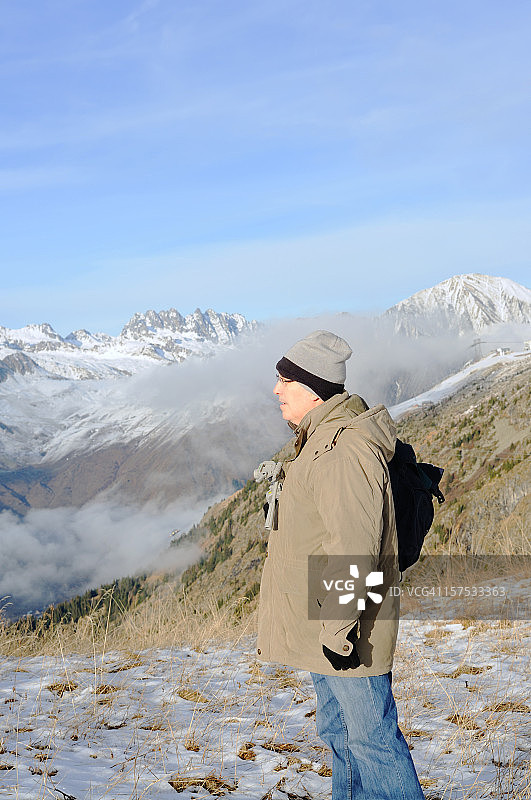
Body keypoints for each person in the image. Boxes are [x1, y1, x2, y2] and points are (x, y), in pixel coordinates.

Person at [256, 330, 425, 800]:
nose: (276, 390)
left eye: (284, 380)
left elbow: (355, 546)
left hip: (348, 629)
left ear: (311, 387)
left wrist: (337, 630)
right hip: (328, 619)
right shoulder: (319, 440)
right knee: (341, 738)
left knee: (373, 743)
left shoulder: (343, 450)